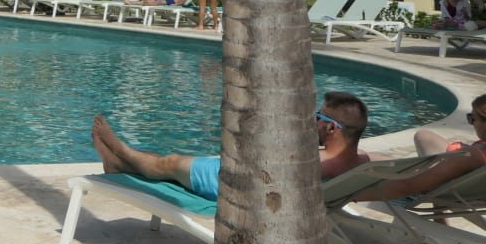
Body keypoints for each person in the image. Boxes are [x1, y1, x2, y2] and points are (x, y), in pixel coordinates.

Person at [91, 91, 371, 200]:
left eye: (318, 117)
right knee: (172, 165)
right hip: (248, 179)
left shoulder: (314, 165)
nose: (312, 120)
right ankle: (117, 164)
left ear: (332, 128)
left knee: (170, 163)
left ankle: (122, 151)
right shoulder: (362, 161)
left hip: (234, 184)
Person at [352, 93, 486, 203]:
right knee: (423, 136)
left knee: (366, 158)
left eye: (472, 118)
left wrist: (352, 197)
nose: (471, 123)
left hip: (430, 183)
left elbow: (407, 187)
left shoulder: (468, 156)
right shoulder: (477, 152)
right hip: (450, 177)